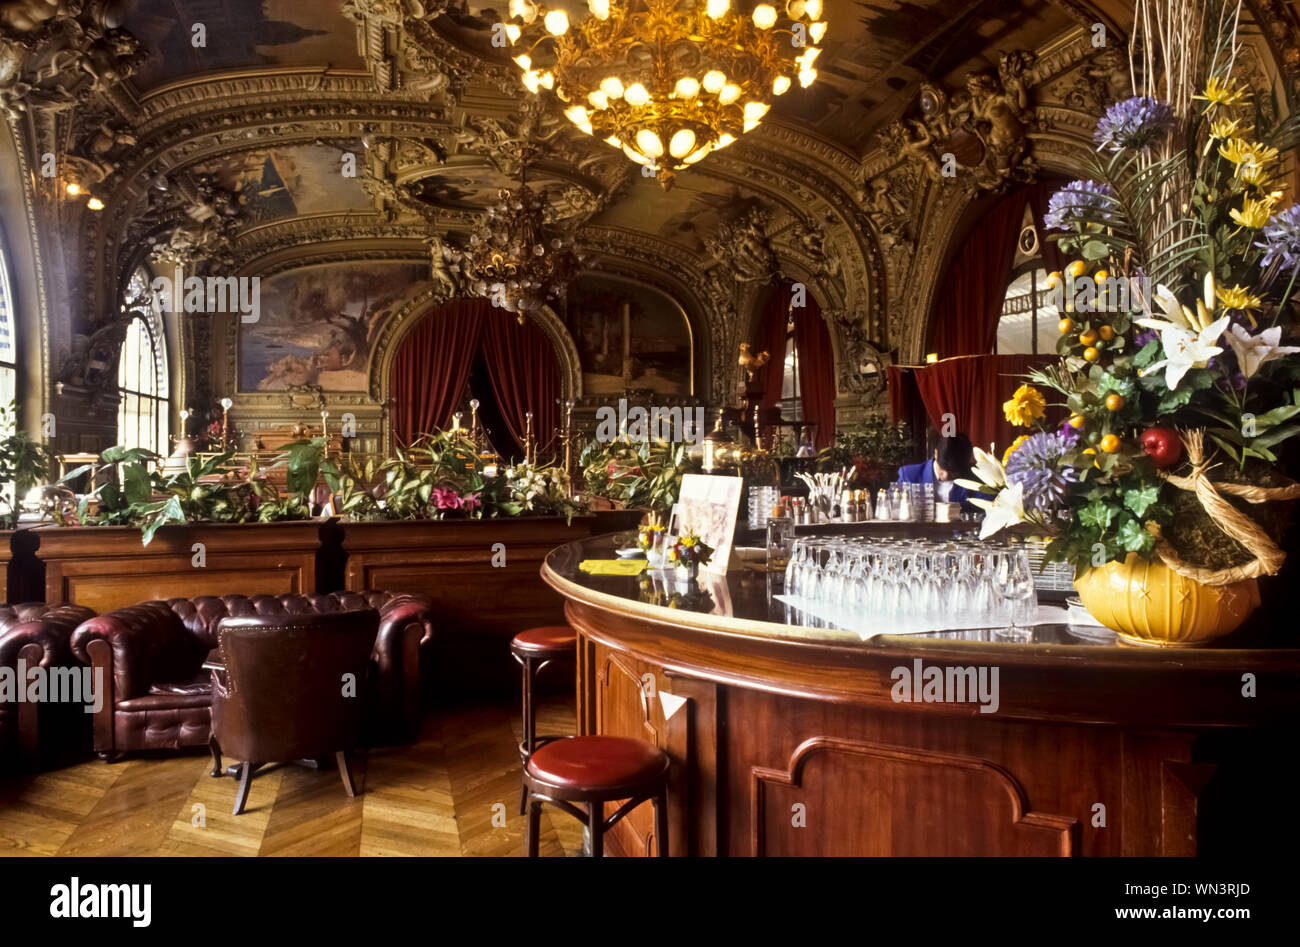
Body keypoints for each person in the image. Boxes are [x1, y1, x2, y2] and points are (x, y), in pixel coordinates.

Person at [897, 432, 974, 505]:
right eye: (942, 469)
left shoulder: (974, 477)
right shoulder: (909, 475)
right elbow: (892, 505)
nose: (946, 476)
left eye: (953, 472)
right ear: (936, 453)